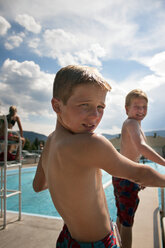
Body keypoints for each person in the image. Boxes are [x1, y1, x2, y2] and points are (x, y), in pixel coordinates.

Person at [33, 66, 165, 248]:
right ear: (57, 106)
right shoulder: (92, 143)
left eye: (100, 107)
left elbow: (38, 185)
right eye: (84, 105)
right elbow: (141, 174)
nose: (95, 116)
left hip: (67, 238)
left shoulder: (50, 141)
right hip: (98, 243)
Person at [112, 89, 165, 248]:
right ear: (126, 108)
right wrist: (164, 162)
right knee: (128, 222)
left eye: (144, 107)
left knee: (122, 216)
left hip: (122, 175)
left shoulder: (133, 124)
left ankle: (118, 244)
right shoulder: (132, 123)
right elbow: (141, 147)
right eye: (137, 106)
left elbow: (134, 152)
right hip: (127, 176)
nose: (141, 110)